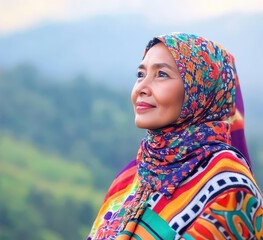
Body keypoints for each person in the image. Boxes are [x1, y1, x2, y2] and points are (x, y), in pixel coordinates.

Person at [87, 32, 263, 239]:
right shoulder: (133, 174)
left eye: (161, 74)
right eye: (140, 74)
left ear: (199, 89)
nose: (141, 88)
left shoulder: (228, 186)